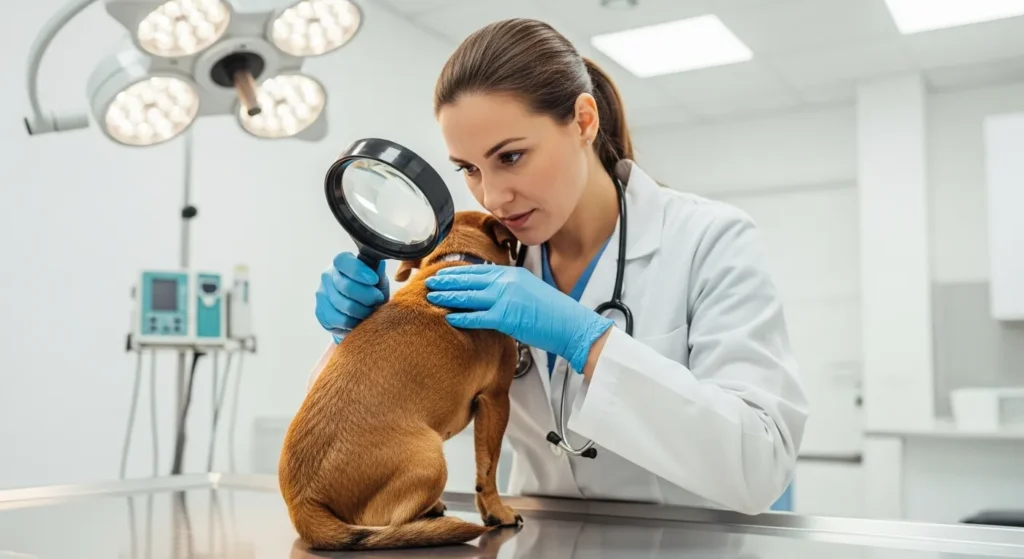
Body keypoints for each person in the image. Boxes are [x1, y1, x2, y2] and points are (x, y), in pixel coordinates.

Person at [310, 18, 808, 515]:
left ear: (584, 122)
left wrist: (589, 342)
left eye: (511, 156)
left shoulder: (710, 239)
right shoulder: (484, 250)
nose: (492, 196)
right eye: (469, 169)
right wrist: (363, 341)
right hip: (542, 539)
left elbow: (761, 464)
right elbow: (381, 428)